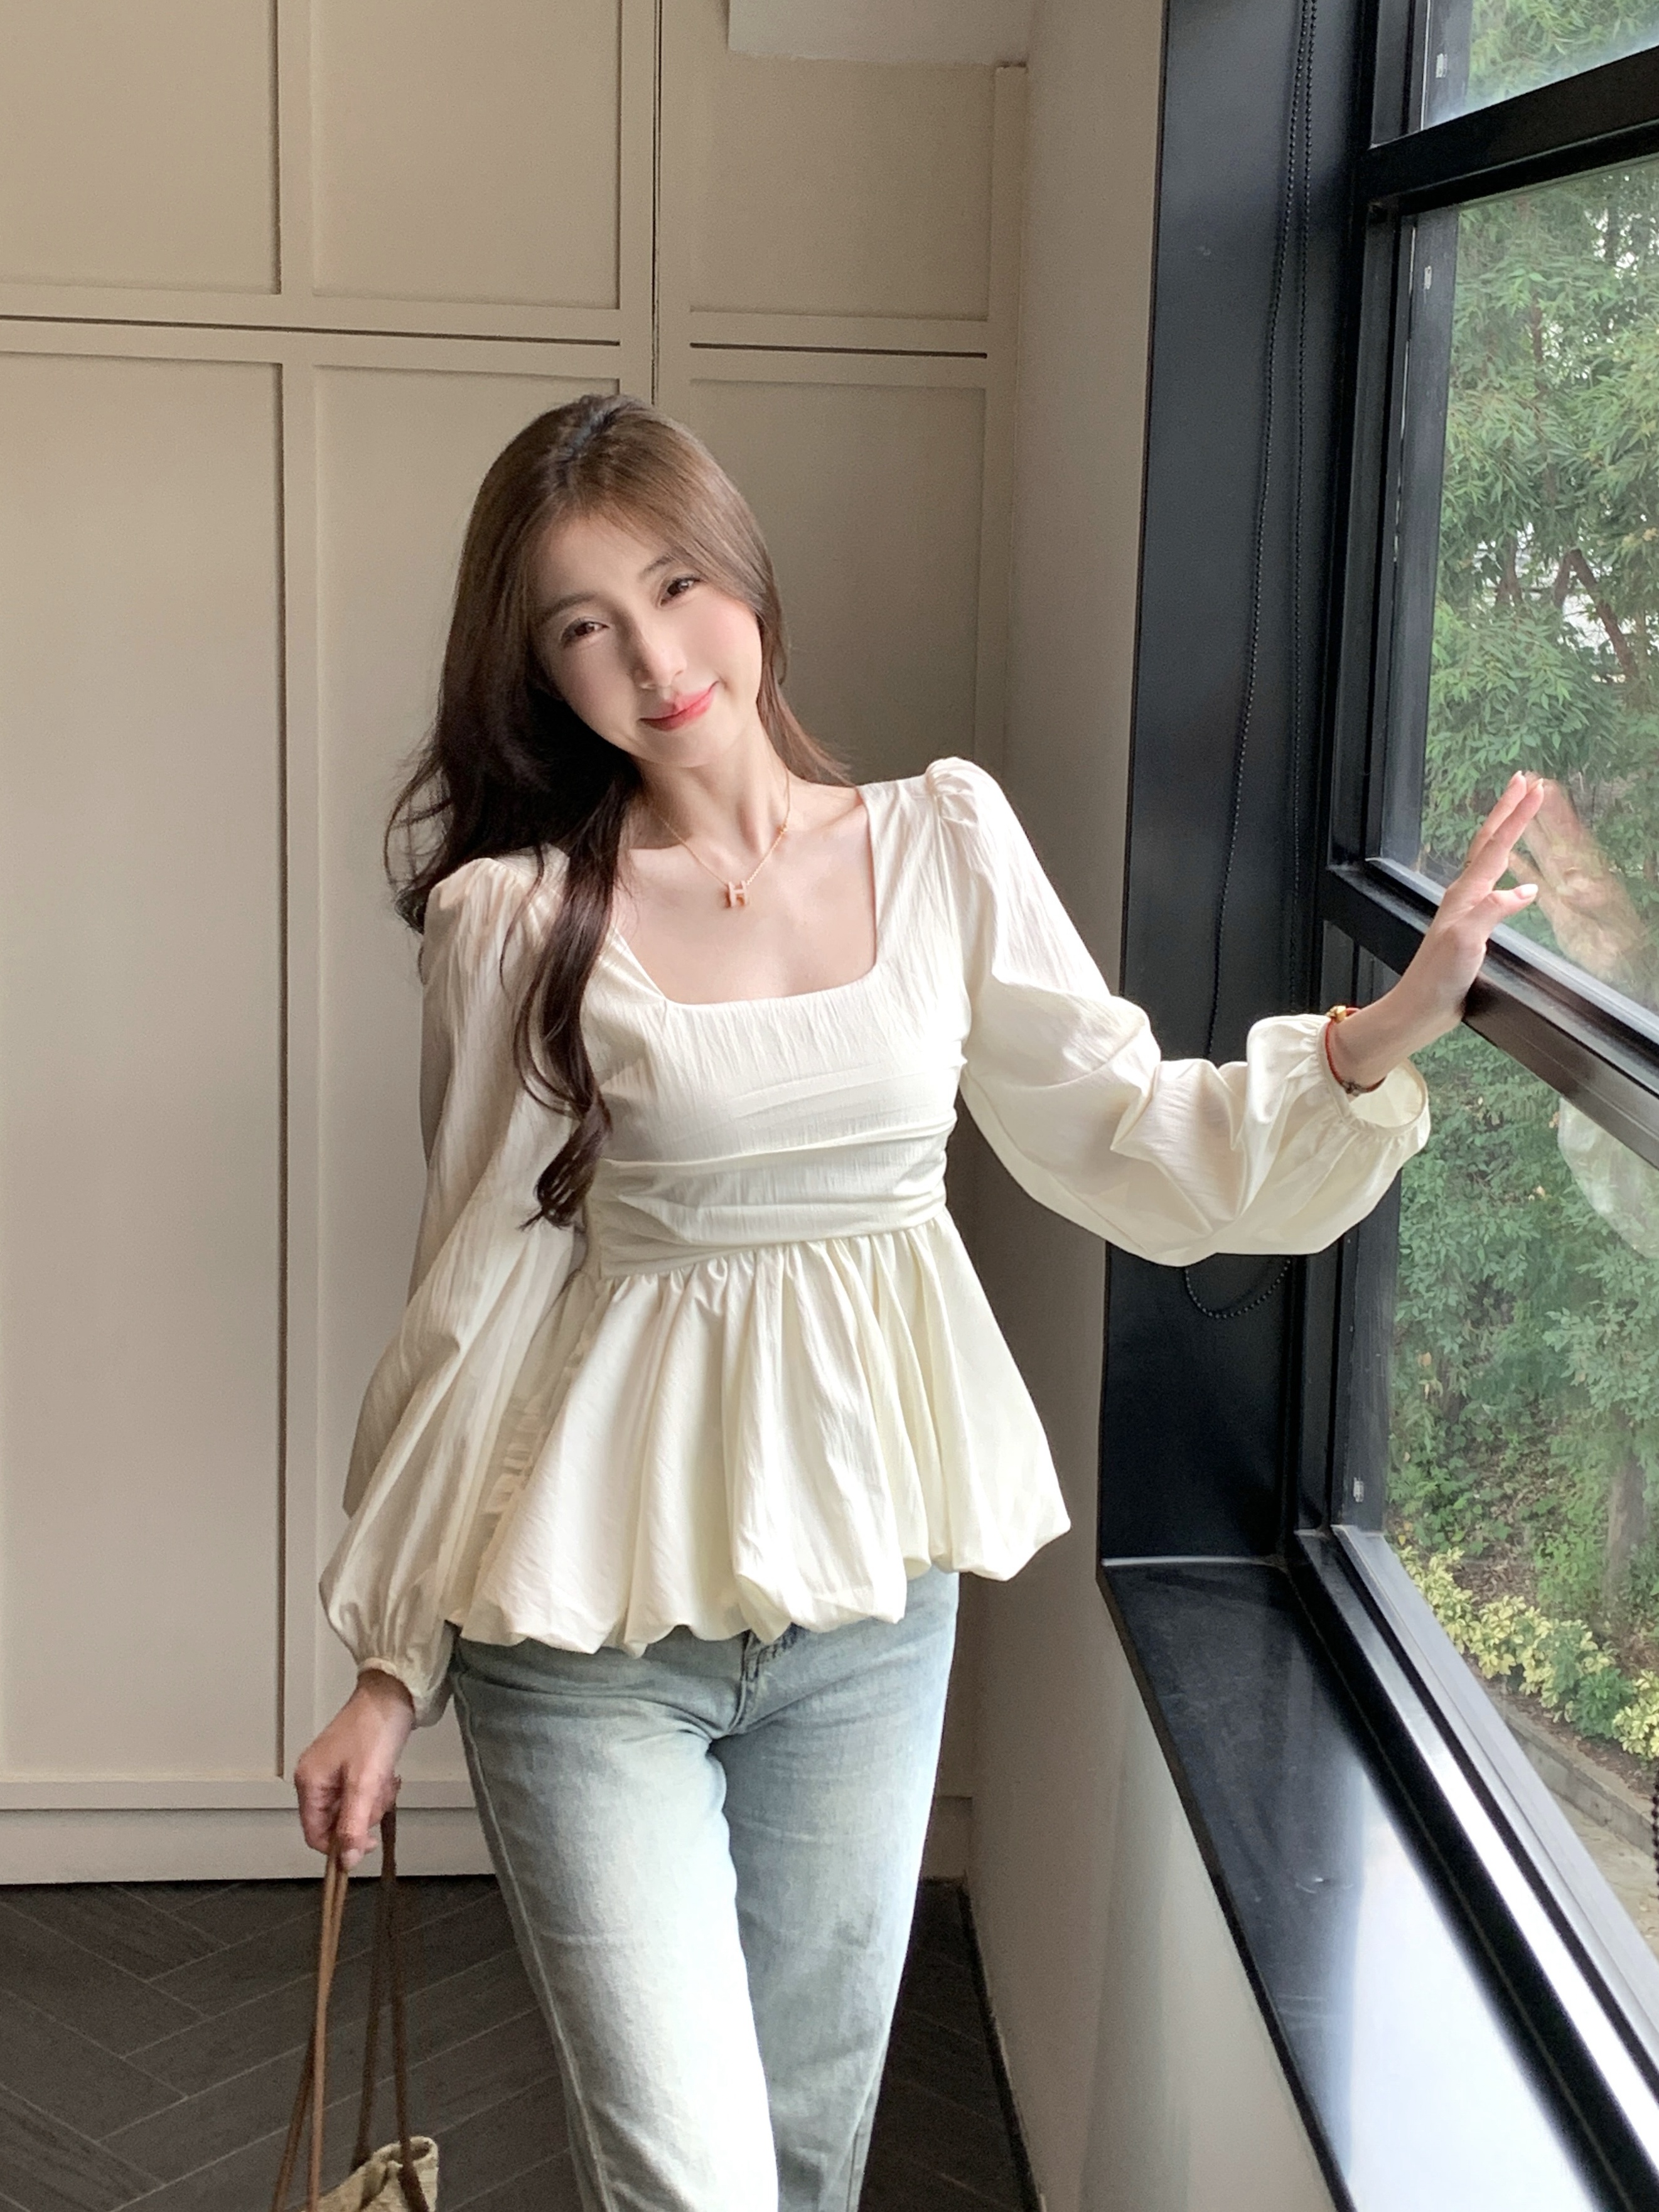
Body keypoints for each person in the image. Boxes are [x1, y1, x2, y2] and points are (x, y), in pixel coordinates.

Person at [293, 393, 1544, 2211]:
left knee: (806, 2164)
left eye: (675, 586)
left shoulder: (942, 839)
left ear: (745, 575)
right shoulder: (519, 919)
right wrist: (390, 1661)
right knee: (692, 2183)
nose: (654, 658)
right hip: (583, 1641)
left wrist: (1377, 1035)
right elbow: (471, 1297)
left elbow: (1125, 1132)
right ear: (538, 670)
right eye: (583, 625)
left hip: (869, 1613)